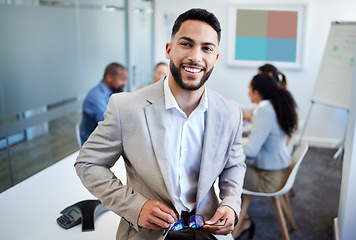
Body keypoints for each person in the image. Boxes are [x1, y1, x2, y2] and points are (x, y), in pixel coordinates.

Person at [75, 8, 246, 240]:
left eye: (207, 48)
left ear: (215, 57)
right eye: (186, 44)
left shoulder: (230, 112)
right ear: (169, 50)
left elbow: (234, 165)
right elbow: (88, 163)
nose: (196, 57)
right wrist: (133, 206)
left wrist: (231, 203)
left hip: (206, 230)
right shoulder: (125, 106)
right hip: (147, 233)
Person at [235, 74, 298, 239]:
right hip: (280, 171)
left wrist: (232, 145)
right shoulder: (275, 105)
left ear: (256, 92)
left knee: (222, 171)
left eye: (249, 90)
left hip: (269, 180)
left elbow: (251, 151)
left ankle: (241, 220)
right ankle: (239, 216)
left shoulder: (264, 109)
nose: (248, 94)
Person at [79, 62, 128, 145]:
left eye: (126, 80)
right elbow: (111, 125)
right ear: (109, 77)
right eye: (122, 79)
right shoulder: (96, 97)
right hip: (94, 144)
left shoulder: (114, 91)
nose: (125, 83)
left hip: (108, 137)